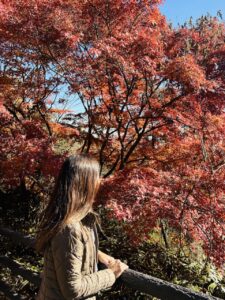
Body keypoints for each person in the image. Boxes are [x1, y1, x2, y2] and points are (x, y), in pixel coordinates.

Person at [35, 154, 128, 300]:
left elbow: (69, 250)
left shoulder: (66, 218)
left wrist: (97, 253)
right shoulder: (70, 228)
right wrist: (112, 273)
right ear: (85, 183)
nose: (100, 181)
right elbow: (72, 289)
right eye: (97, 177)